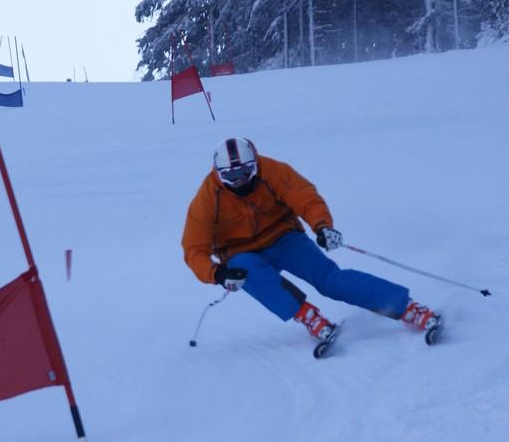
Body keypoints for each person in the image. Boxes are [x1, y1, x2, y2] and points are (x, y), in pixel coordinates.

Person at [181, 137, 441, 343]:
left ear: (255, 165)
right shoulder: (208, 197)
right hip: (241, 252)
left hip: (283, 237)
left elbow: (304, 197)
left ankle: (407, 307)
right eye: (231, 177)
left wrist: (322, 226)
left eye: (245, 173)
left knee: (330, 281)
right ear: (218, 173)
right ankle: (307, 316)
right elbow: (194, 248)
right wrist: (217, 273)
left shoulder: (273, 171)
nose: (239, 182)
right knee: (248, 274)